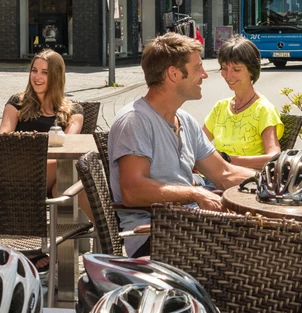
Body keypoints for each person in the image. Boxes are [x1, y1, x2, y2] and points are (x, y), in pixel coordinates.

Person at [108, 32, 257, 258]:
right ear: (174, 74)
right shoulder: (135, 121)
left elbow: (224, 173)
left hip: (188, 228)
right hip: (155, 236)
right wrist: (195, 193)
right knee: (257, 250)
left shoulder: (185, 120)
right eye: (198, 68)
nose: (205, 74)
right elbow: (132, 190)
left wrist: (270, 178)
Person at [0, 49, 85, 195]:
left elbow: (67, 149)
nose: (37, 77)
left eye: (45, 72)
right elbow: (2, 138)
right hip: (16, 167)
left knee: (66, 174)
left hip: (51, 168)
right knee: (68, 178)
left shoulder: (73, 111)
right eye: (34, 70)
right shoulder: (17, 102)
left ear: (56, 76)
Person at [202, 37, 283, 169]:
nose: (228, 76)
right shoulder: (220, 107)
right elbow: (197, 144)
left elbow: (274, 158)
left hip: (244, 184)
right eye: (224, 68)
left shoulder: (264, 110)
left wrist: (227, 160)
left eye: (237, 69)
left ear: (251, 70)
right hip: (212, 178)